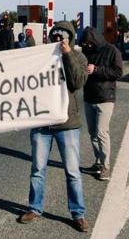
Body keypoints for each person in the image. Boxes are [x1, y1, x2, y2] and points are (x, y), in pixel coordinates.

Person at [18, 21, 89, 233]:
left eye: (63, 37)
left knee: (73, 171)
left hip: (67, 124)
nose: (58, 41)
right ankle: (35, 208)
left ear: (70, 38)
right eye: (55, 37)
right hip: (42, 124)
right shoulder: (42, 57)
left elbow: (77, 82)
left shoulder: (79, 56)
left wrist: (67, 55)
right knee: (38, 169)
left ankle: (78, 214)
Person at [79, 26, 123, 181]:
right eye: (85, 44)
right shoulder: (86, 51)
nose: (88, 46)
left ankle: (106, 167)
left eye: (90, 43)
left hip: (105, 98)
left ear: (95, 39)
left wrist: (96, 69)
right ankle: (98, 162)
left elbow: (118, 72)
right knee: (92, 133)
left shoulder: (112, 51)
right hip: (89, 97)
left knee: (102, 132)